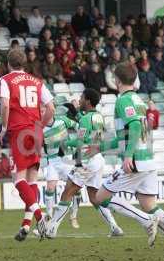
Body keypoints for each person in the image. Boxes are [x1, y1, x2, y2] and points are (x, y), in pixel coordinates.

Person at [88, 62, 164, 261]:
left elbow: (135, 127)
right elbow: (126, 135)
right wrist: (99, 148)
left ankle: (145, 221)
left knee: (99, 197)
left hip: (135, 161)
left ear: (116, 80)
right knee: (149, 204)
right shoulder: (139, 100)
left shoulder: (123, 100)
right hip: (148, 160)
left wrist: (128, 156)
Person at [46, 89, 123, 238]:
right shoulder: (98, 116)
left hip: (87, 160)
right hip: (98, 159)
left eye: (81, 98)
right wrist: (76, 112)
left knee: (67, 192)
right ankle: (115, 227)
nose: (79, 100)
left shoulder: (85, 120)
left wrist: (64, 142)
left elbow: (80, 141)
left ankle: (52, 228)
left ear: (87, 101)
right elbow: (88, 126)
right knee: (94, 197)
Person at [0, 48, 55, 240]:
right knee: (32, 180)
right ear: (24, 64)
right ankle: (26, 225)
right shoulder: (37, 82)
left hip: (20, 131)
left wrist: (4, 127)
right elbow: (51, 108)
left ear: (8, 64)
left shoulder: (5, 80)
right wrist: (41, 125)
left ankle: (41, 218)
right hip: (36, 132)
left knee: (19, 180)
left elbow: (5, 105)